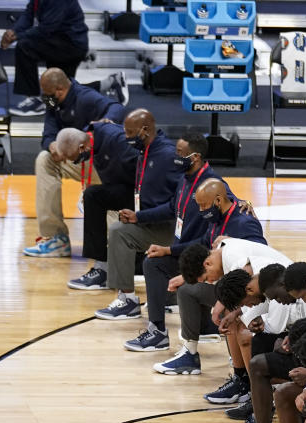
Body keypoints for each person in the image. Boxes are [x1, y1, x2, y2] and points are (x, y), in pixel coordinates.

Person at [68, 109, 182, 316]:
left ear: (145, 130)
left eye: (129, 133)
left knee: (120, 231)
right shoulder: (147, 150)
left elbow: (178, 202)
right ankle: (169, 297)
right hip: (153, 217)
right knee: (111, 213)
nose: (126, 138)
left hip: (170, 227)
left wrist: (140, 216)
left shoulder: (165, 156)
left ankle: (127, 300)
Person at [153, 179, 269, 375]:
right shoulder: (216, 219)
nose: (200, 210)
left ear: (217, 201)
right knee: (188, 289)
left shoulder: (244, 220)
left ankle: (240, 372)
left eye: (203, 205)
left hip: (250, 292)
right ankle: (190, 354)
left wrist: (223, 299)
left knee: (226, 305)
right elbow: (204, 243)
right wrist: (171, 253)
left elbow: (260, 257)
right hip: (225, 283)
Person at [123, 133, 215, 354]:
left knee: (153, 263)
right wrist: (140, 216)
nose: (176, 158)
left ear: (196, 157)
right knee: (154, 262)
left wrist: (244, 204)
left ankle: (158, 333)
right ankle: (201, 326)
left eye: (181, 154)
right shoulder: (185, 179)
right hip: (185, 250)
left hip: (203, 256)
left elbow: (229, 202)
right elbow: (172, 207)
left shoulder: (211, 185)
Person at [23, 70, 127, 259]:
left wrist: (106, 121)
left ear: (60, 90)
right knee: (44, 160)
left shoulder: (85, 97)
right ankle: (56, 238)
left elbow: (116, 107)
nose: (45, 100)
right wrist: (51, 144)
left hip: (100, 163)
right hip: (76, 160)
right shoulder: (52, 101)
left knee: (111, 223)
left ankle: (120, 243)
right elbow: (47, 133)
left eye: (47, 95)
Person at [2, 0, 89, 112]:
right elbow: (29, 13)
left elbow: (47, 29)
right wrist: (14, 31)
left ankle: (33, 99)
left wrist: (18, 37)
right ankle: (110, 84)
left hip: (70, 45)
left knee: (25, 46)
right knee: (60, 100)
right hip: (57, 41)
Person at [43, 122, 136, 271]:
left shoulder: (116, 140)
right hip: (128, 187)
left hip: (148, 192)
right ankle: (101, 266)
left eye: (69, 157)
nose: (68, 161)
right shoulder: (93, 141)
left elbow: (145, 172)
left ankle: (122, 261)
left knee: (96, 198)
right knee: (92, 196)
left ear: (81, 148)